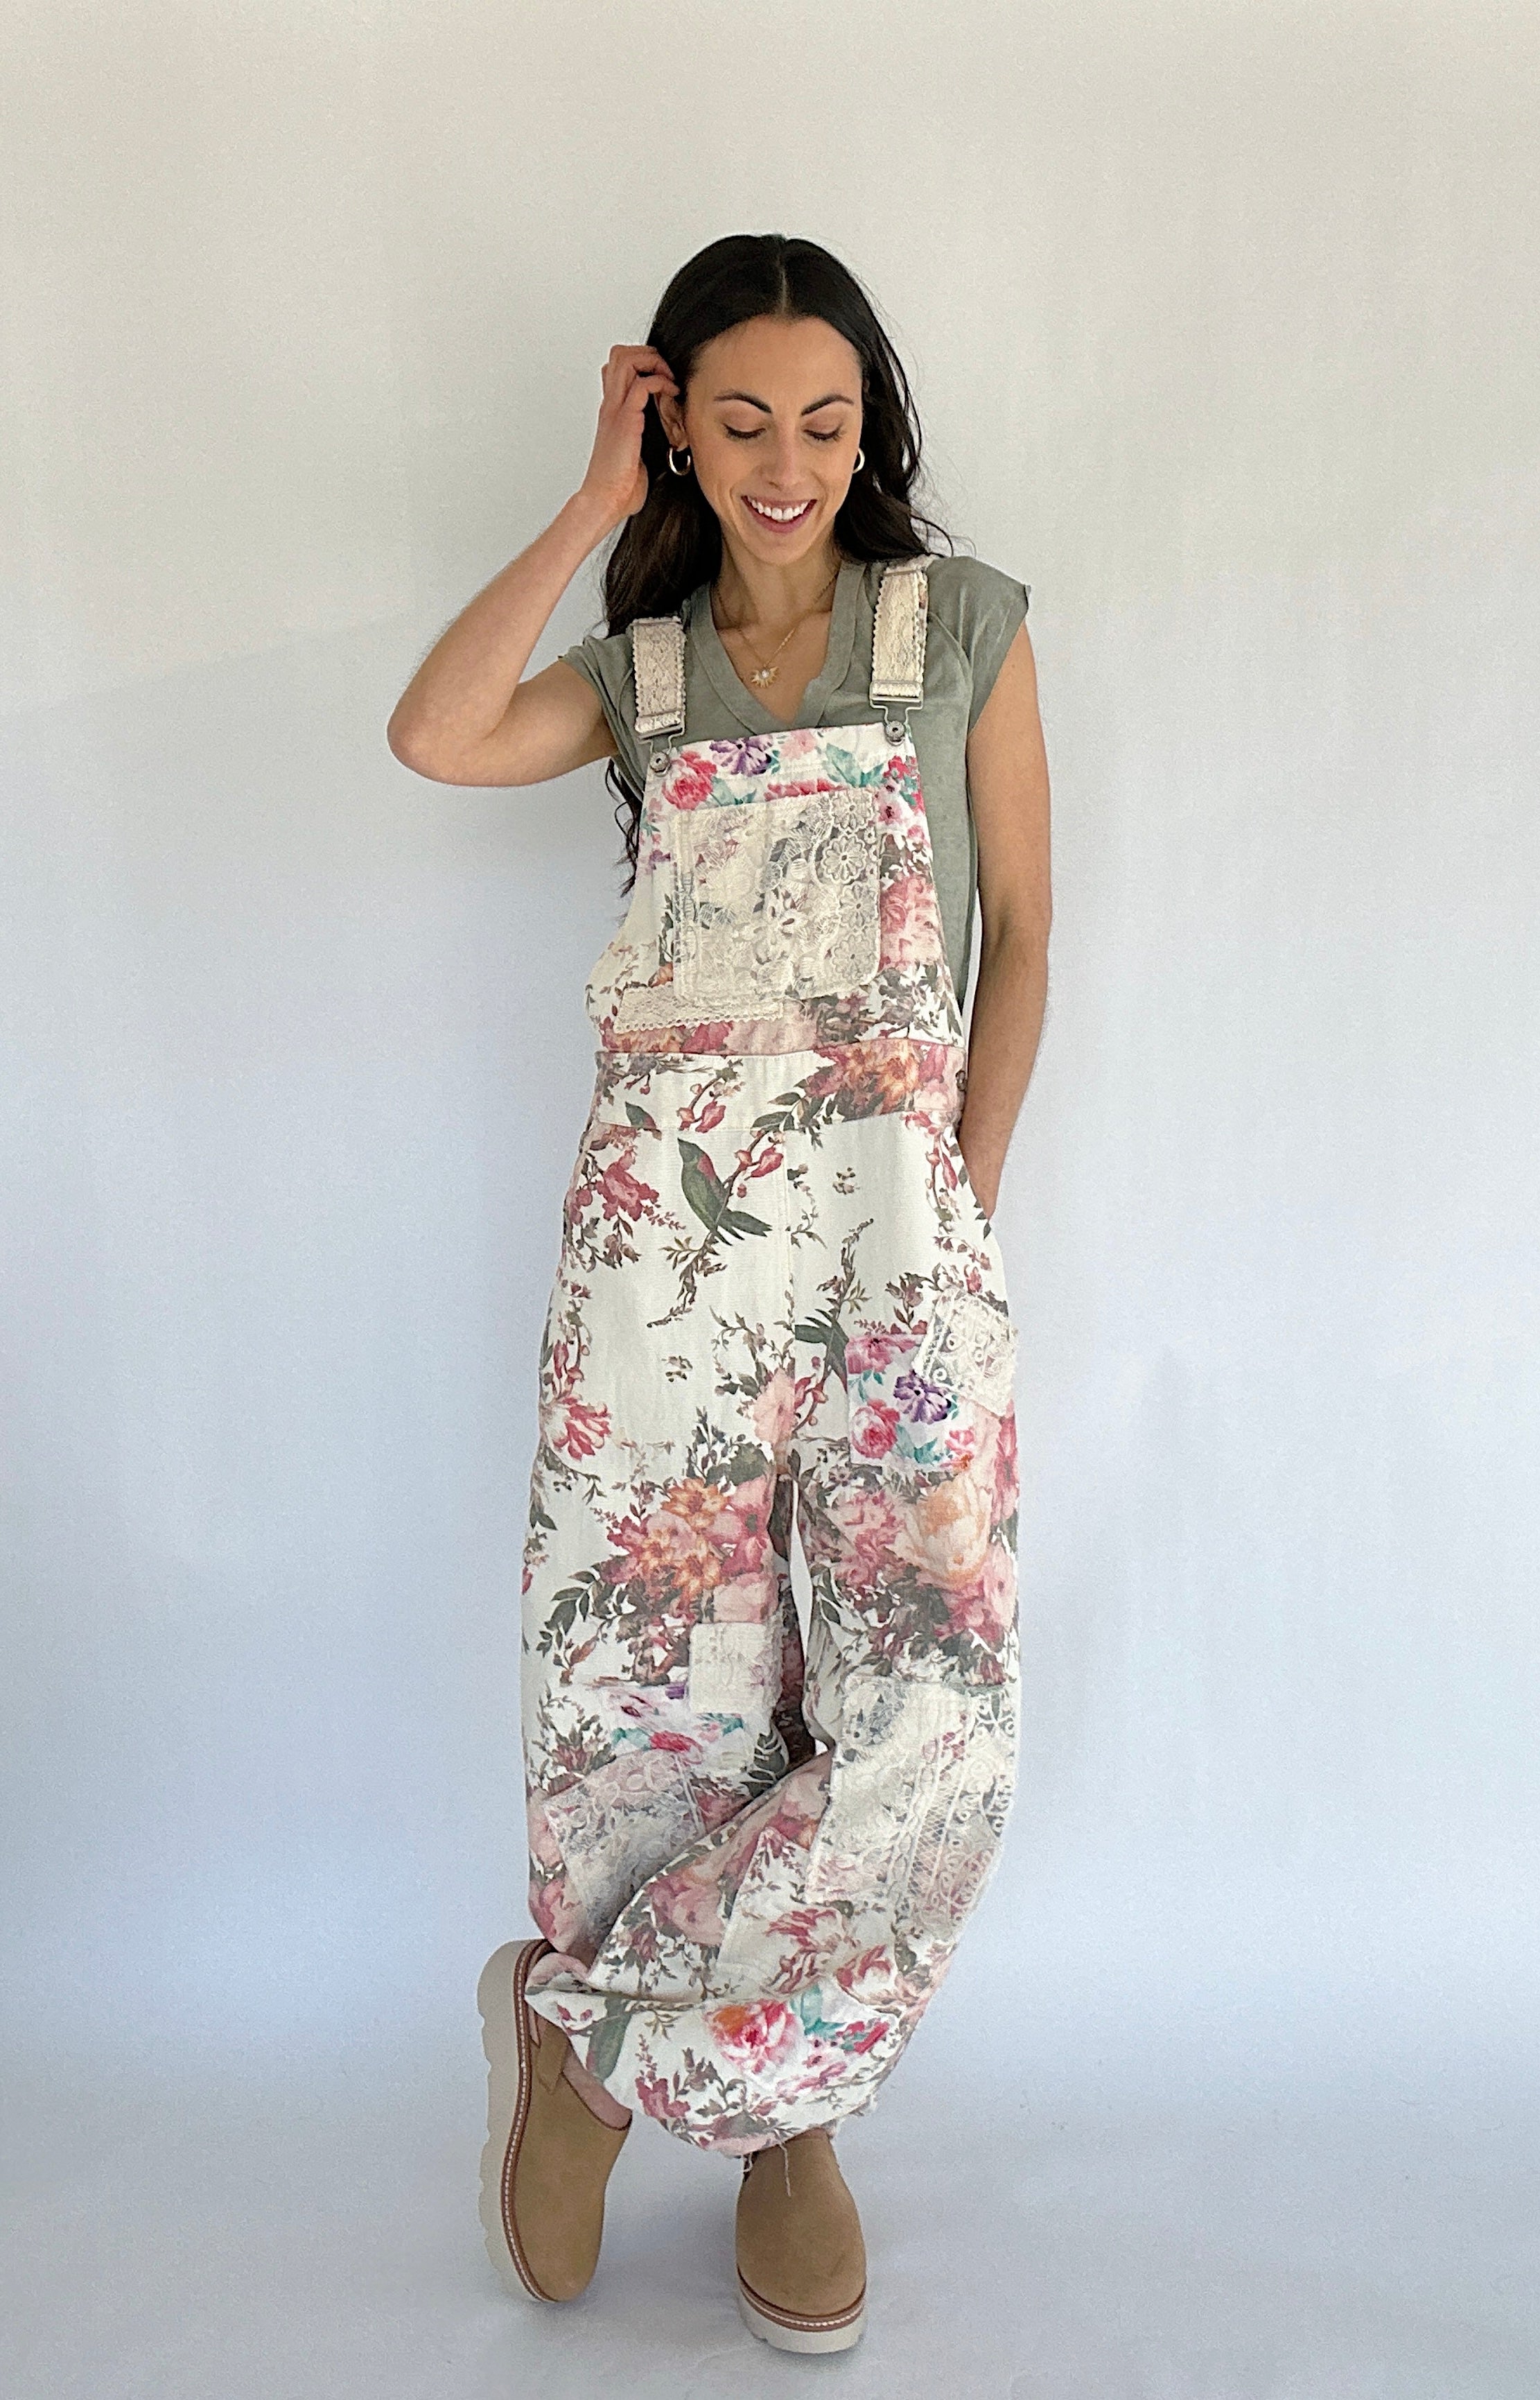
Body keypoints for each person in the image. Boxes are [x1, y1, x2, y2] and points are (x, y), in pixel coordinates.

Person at [387, 232, 1051, 2352]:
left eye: (829, 422)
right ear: (681, 418)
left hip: (895, 1231)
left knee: (925, 1711)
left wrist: (958, 1199)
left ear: (876, 432)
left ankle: (615, 2055)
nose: (790, 464)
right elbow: (433, 731)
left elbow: (1025, 932)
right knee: (651, 1700)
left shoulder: (959, 630)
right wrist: (595, 502)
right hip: (661, 1257)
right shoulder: (640, 671)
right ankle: (772, 2119)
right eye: (740, 420)